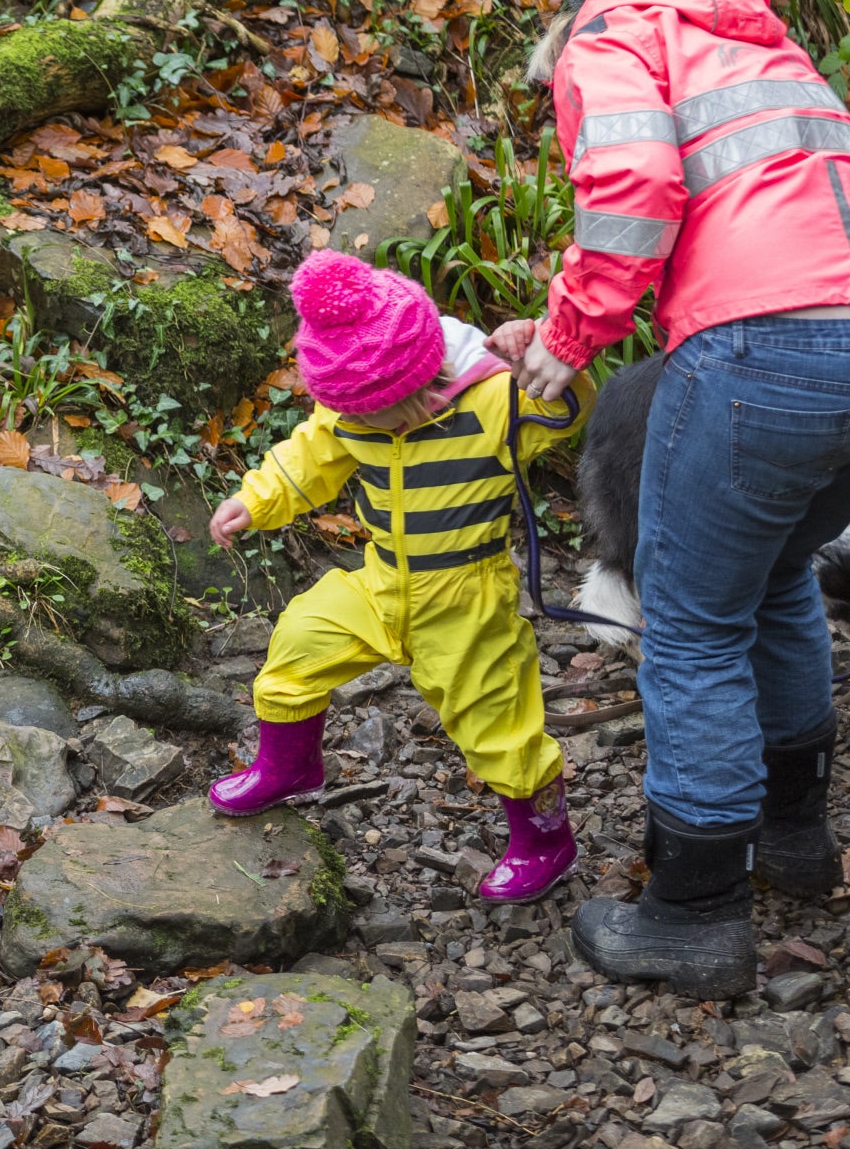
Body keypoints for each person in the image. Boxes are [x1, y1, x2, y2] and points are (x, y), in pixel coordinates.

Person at [495, 0, 850, 997]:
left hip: (770, 344)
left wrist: (559, 346)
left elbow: (634, 197)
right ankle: (795, 840)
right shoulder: (748, 22)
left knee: (692, 617)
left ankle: (695, 908)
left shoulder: (611, 32)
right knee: (781, 569)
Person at [205, 248, 593, 904]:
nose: (362, 428)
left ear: (421, 381)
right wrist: (258, 497)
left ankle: (544, 837)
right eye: (352, 418)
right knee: (301, 634)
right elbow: (311, 455)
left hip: (468, 593)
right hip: (383, 579)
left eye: (376, 416)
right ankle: (290, 763)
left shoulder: (492, 397)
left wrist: (541, 356)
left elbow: (568, 413)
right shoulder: (352, 405)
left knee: (498, 720)